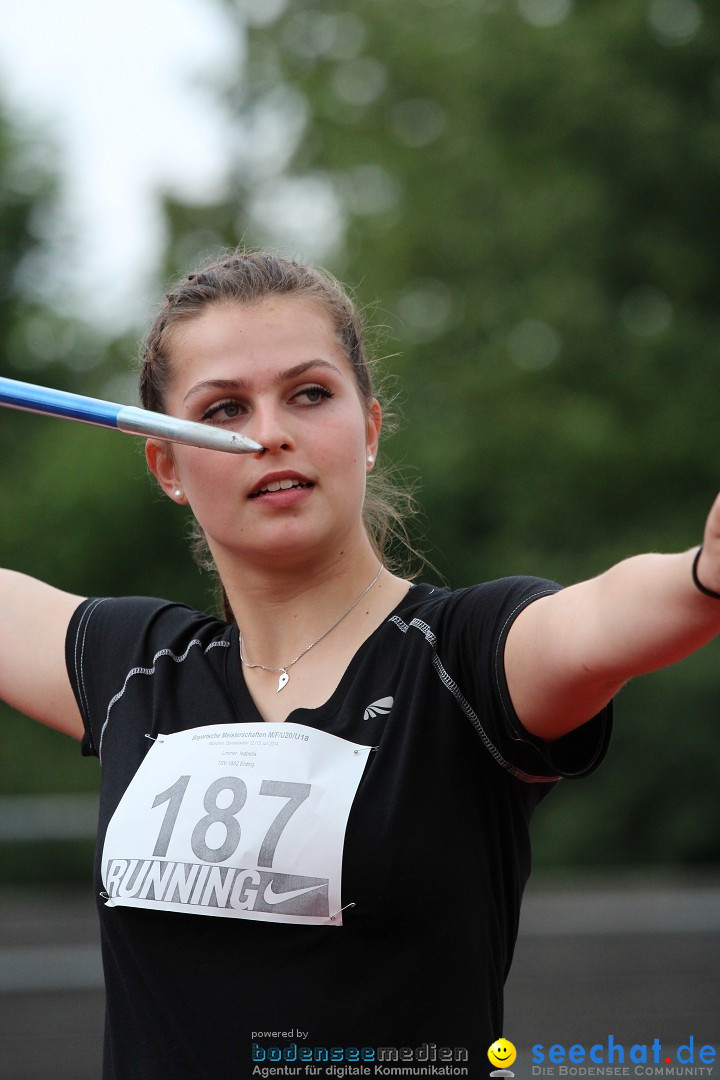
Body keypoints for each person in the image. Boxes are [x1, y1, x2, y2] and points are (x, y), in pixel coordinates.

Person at [2, 250, 720, 1080]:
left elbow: (600, 618)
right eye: (225, 408)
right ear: (167, 465)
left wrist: (702, 575)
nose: (270, 432)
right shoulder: (138, 669)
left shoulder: (464, 657)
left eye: (309, 394)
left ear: (369, 430)